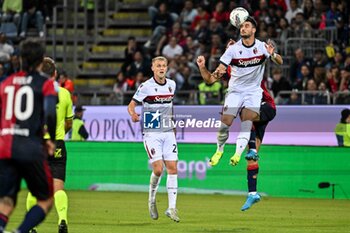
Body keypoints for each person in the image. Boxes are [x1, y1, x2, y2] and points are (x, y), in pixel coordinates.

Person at [196, 16, 283, 209]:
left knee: (246, 117)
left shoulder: (260, 47)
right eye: (241, 25)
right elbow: (212, 79)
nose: (242, 28)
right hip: (237, 96)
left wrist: (273, 53)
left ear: (253, 29)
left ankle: (237, 153)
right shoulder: (232, 53)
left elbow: (279, 60)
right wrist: (203, 68)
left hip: (262, 102)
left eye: (246, 25)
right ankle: (252, 191)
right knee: (230, 126)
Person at [0, 39, 57, 233]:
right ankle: (21, 231)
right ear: (41, 61)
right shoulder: (45, 84)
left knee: (6, 201)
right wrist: (49, 139)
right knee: (46, 199)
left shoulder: (6, 83)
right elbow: (50, 112)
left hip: (5, 147)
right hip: (29, 148)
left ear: (20, 59)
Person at [127, 56, 179, 222]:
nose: (162, 68)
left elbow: (170, 107)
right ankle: (151, 199)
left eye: (164, 65)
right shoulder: (146, 87)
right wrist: (133, 114)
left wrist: (174, 126)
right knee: (158, 170)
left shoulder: (172, 85)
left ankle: (172, 208)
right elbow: (131, 104)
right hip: (152, 132)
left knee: (173, 168)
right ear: (153, 68)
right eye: (158, 66)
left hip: (168, 131)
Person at [26, 57, 73, 233]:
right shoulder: (65, 94)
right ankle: (62, 220)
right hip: (58, 144)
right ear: (55, 74)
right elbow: (69, 123)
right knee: (58, 186)